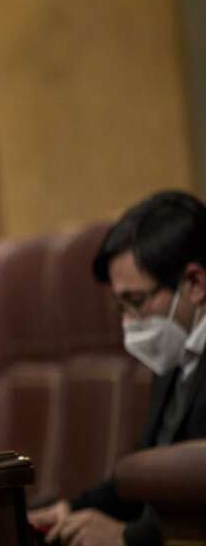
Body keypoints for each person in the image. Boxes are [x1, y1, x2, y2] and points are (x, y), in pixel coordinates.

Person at [28, 191, 206, 546]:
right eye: (119, 306)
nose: (128, 322)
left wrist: (127, 537)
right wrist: (72, 508)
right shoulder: (174, 352)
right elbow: (149, 477)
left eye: (136, 302)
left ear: (195, 284)